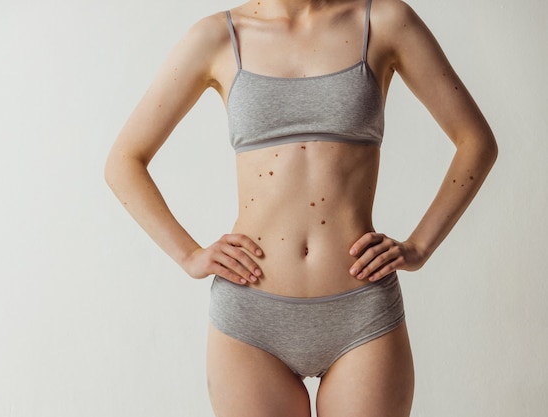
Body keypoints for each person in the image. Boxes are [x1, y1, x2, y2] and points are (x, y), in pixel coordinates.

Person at [105, 0, 497, 415]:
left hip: (361, 312)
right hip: (250, 317)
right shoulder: (219, 36)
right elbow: (124, 161)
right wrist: (189, 255)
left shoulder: (384, 22)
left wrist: (420, 246)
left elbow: (476, 142)